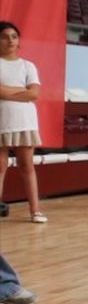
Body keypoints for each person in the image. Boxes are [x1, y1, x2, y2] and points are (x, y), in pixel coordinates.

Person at [0, 22, 45, 224]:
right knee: (0, 166)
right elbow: (25, 92)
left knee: (26, 166)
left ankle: (35, 211)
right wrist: (21, 92)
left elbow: (34, 94)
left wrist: (5, 91)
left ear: (18, 41)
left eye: (14, 36)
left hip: (25, 120)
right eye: (4, 36)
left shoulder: (28, 66)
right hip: (2, 120)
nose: (10, 40)